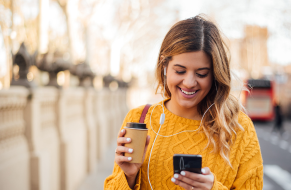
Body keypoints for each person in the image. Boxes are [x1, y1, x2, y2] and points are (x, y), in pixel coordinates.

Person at [104, 15, 263, 190]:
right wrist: (129, 176)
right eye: (180, 71)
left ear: (215, 75)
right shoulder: (140, 119)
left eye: (201, 74)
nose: (189, 82)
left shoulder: (238, 127)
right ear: (164, 66)